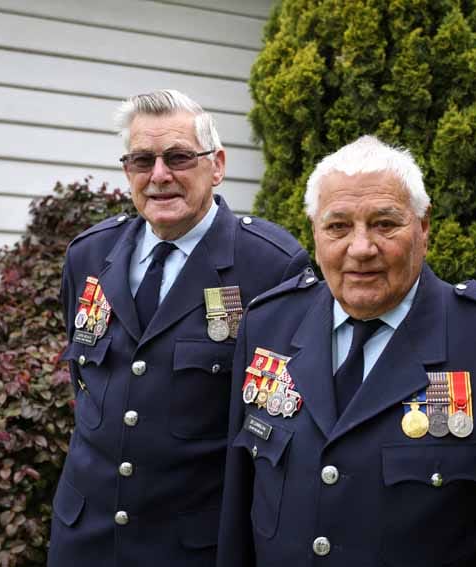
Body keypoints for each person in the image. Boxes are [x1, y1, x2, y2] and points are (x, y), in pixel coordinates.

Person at [217, 135, 476, 566]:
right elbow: (238, 510)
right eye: (338, 226)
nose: (361, 248)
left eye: (385, 224)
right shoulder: (268, 326)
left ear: (423, 227)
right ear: (314, 231)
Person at [48, 89, 310, 567]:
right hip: (84, 538)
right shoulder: (88, 255)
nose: (160, 175)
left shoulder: (269, 265)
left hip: (193, 545)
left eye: (179, 157)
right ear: (127, 170)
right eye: (142, 159)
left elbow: (280, 429)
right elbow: (88, 387)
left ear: (217, 165)